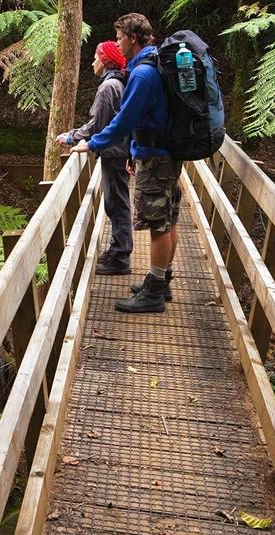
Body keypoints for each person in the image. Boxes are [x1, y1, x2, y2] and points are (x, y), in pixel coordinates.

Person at [71, 12, 178, 313]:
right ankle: (162, 281)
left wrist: (92, 143)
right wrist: (132, 148)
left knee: (158, 224)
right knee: (169, 219)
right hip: (164, 152)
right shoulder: (152, 64)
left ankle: (154, 293)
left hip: (156, 158)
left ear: (132, 38)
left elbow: (125, 119)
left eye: (119, 38)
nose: (117, 44)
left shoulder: (143, 74)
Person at [56, 41, 131, 275]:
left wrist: (71, 137)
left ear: (105, 60)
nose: (92, 62)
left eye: (96, 57)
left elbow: (97, 124)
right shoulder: (118, 83)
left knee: (116, 203)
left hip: (114, 152)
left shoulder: (108, 88)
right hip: (119, 150)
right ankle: (118, 250)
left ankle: (120, 257)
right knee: (116, 201)